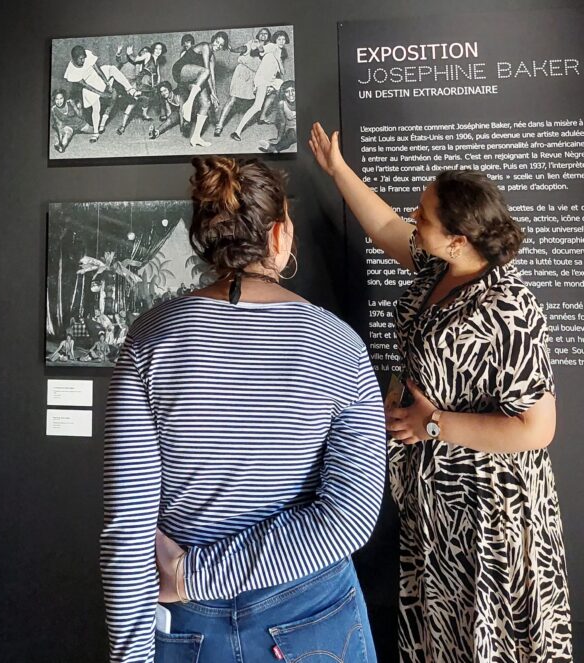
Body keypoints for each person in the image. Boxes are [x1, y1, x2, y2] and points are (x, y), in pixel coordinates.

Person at [102, 155, 387, 662]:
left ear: (206, 239)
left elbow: (128, 529)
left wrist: (182, 588)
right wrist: (194, 577)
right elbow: (351, 514)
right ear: (280, 235)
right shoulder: (338, 344)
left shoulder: (151, 337)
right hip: (313, 615)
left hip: (187, 627)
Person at [309, 123, 572, 661]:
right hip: (438, 505)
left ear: (460, 237)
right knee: (443, 635)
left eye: (423, 215)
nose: (412, 217)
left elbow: (539, 428)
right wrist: (338, 170)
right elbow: (384, 224)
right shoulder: (440, 266)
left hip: (487, 513)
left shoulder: (510, 308)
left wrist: (434, 424)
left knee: (485, 637)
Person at [63, 45, 138, 141]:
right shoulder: (71, 71)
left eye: (84, 58)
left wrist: (107, 83)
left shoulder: (86, 56)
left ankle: (131, 90)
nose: (83, 61)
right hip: (89, 87)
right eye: (81, 59)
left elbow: (98, 70)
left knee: (112, 69)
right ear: (74, 59)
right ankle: (95, 133)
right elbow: (86, 86)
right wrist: (101, 94)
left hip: (97, 77)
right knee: (96, 107)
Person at [171, 32, 230, 147]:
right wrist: (211, 91)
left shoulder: (212, 57)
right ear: (213, 39)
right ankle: (188, 104)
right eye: (217, 42)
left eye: (221, 45)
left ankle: (196, 137)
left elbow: (211, 77)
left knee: (206, 104)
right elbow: (206, 71)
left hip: (195, 78)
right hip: (180, 70)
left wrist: (214, 94)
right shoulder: (205, 46)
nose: (217, 46)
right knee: (205, 72)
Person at [231, 30, 290, 141]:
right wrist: (258, 46)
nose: (281, 42)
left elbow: (282, 72)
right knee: (257, 106)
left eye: (283, 39)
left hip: (271, 81)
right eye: (279, 39)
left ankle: (263, 116)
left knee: (281, 85)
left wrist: (278, 58)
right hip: (262, 79)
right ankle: (237, 132)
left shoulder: (280, 52)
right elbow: (262, 49)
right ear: (275, 40)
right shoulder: (272, 46)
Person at [214, 27, 271, 137]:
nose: (263, 35)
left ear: (268, 37)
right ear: (258, 35)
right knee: (233, 98)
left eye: (266, 34)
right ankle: (219, 125)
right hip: (242, 71)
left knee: (260, 100)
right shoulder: (253, 43)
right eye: (261, 33)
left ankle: (262, 117)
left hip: (255, 76)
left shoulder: (269, 48)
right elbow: (243, 48)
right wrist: (233, 50)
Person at [50, 88, 94, 152]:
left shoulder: (70, 102)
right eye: (57, 99)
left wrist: (79, 108)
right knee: (67, 134)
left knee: (95, 131)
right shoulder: (53, 109)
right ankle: (61, 146)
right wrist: (60, 140)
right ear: (54, 99)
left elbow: (80, 115)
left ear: (64, 98)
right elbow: (58, 125)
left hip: (79, 123)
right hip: (67, 125)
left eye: (61, 98)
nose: (59, 101)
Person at [259, 80, 296, 153]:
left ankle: (273, 148)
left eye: (293, 90)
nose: (290, 94)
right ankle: (275, 147)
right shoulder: (281, 104)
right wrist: (278, 138)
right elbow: (282, 122)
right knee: (291, 136)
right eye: (287, 92)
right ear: (283, 93)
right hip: (291, 128)